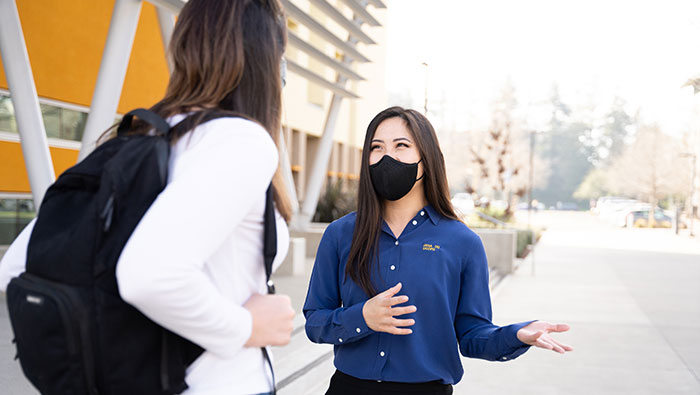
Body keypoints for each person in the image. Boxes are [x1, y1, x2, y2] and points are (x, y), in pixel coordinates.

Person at [0, 1, 294, 394]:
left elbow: (17, 265)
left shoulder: (141, 136)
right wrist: (246, 326)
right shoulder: (240, 141)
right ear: (266, 56)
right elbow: (148, 275)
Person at [303, 107, 573, 395]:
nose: (386, 157)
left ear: (426, 158)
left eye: (402, 146)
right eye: (376, 147)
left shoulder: (462, 242)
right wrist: (363, 317)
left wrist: (516, 335)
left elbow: (472, 336)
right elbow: (316, 322)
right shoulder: (340, 234)